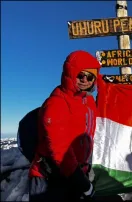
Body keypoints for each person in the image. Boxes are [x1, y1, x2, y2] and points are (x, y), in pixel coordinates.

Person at [28, 50, 102, 201]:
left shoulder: (87, 102)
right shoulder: (56, 104)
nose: (85, 80)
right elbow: (61, 152)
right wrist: (83, 184)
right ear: (70, 73)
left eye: (90, 77)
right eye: (80, 75)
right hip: (50, 178)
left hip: (74, 173)